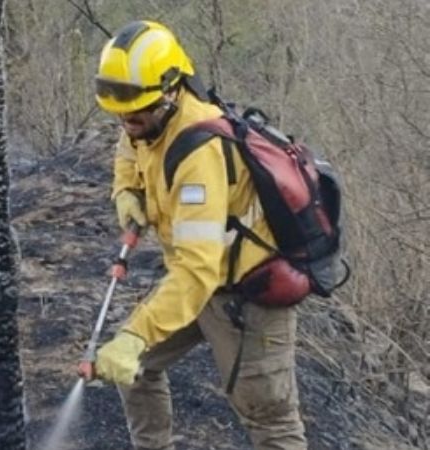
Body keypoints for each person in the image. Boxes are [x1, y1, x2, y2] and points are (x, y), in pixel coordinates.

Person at [88, 20, 307, 450]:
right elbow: (130, 144)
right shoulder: (147, 114)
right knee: (136, 368)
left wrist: (136, 334)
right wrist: (126, 190)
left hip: (246, 293)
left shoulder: (200, 155)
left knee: (269, 421)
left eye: (136, 111)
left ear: (171, 91)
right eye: (119, 112)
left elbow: (196, 271)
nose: (127, 120)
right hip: (198, 281)